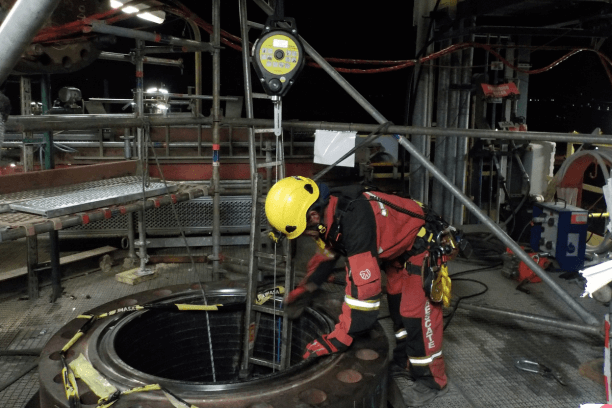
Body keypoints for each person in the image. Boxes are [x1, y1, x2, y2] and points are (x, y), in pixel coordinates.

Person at [265, 175, 454, 407]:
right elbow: (328, 252)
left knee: (415, 314)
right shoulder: (329, 210)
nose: (308, 236)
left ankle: (432, 381)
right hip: (397, 252)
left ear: (313, 216)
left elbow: (364, 300)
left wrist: (336, 339)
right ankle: (404, 362)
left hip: (422, 247)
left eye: (305, 231)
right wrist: (308, 288)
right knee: (398, 311)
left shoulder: (355, 219)